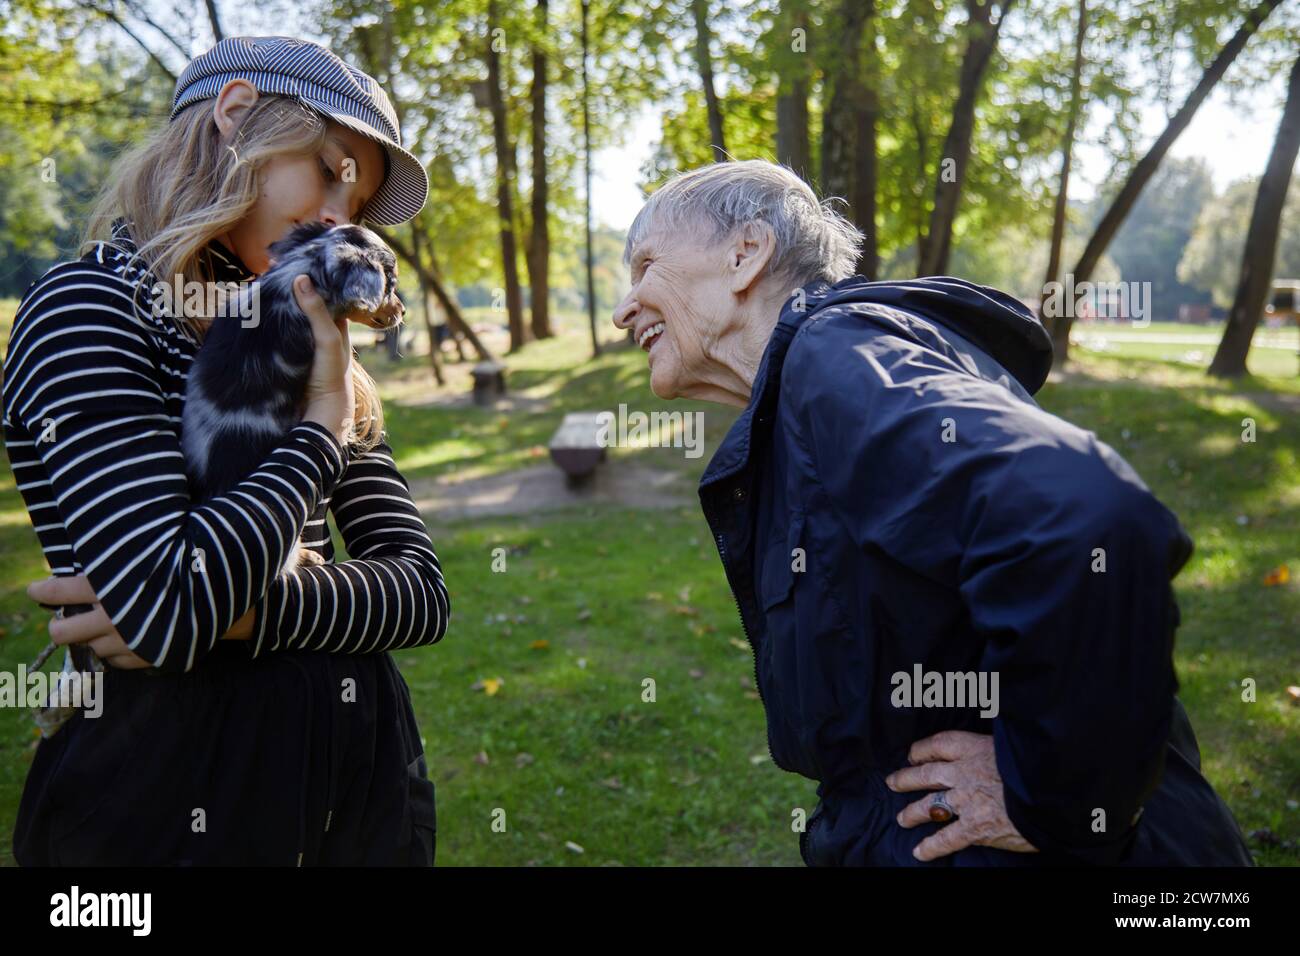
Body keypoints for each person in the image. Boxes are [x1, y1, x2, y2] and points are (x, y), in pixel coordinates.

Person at [611, 158, 1253, 867]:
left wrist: (1058, 797)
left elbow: (1087, 520)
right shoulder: (815, 384)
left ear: (745, 254)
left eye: (645, 266)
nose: (624, 307)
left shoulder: (837, 357)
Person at [2, 36, 449, 865]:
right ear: (237, 115)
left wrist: (241, 615)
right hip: (168, 792)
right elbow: (171, 608)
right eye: (331, 169)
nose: (336, 221)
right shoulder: (87, 312)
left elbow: (420, 593)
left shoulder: (301, 334)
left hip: (361, 777)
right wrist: (318, 426)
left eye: (356, 209)